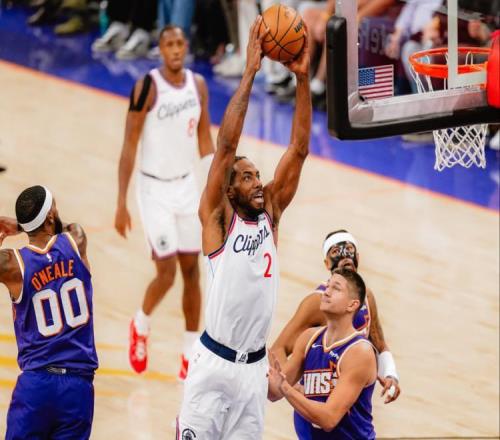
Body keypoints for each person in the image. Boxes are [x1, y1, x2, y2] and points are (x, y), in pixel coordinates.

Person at [177, 16, 311, 439]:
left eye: (258, 175)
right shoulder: (217, 219)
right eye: (247, 177)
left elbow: (299, 149)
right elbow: (226, 146)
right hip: (213, 367)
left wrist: (303, 79)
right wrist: (250, 72)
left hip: (254, 372)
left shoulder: (270, 211)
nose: (257, 182)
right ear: (230, 189)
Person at [114, 24, 215, 378]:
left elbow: (205, 139)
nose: (175, 49)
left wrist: (215, 185)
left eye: (179, 43)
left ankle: (189, 352)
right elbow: (129, 144)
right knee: (167, 272)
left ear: (186, 46)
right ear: (160, 49)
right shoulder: (146, 87)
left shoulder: (198, 86)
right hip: (154, 189)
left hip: (186, 187)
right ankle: (140, 324)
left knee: (192, 272)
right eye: (169, 44)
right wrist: (121, 201)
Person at [0, 185, 98, 439]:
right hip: (78, 389)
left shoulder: (12, 265)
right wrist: (26, 225)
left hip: (36, 388)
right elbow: (69, 227)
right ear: (51, 216)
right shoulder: (76, 241)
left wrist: (13, 229)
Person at [271, 229, 401, 404]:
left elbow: (380, 344)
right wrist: (292, 388)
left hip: (351, 393)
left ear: (358, 257)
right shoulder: (317, 301)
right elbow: (278, 348)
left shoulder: (367, 297)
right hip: (319, 398)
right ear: (327, 263)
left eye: (349, 249)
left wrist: (390, 374)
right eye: (335, 251)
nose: (345, 256)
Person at [268, 268, 377, 439]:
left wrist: (287, 389)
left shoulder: (359, 352)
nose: (326, 292)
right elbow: (274, 393)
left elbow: (328, 419)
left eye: (336, 288)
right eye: (327, 286)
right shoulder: (308, 338)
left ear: (352, 305)